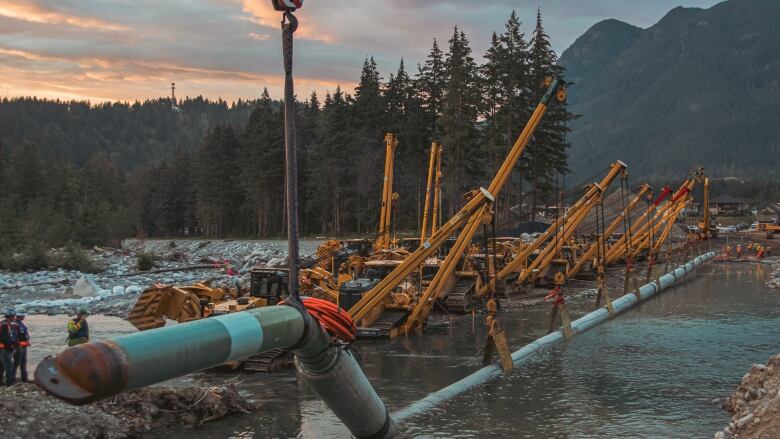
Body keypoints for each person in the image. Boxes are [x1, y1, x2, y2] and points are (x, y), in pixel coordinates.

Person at [0, 309, 19, 386]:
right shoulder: (4, 325)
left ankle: (1, 381)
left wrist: (15, 343)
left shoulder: (5, 324)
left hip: (4, 347)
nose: (14, 318)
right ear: (10, 316)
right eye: (13, 316)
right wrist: (10, 347)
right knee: (9, 365)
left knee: (2, 365)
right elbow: (4, 338)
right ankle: (9, 382)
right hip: (4, 348)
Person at [13, 309, 29, 383]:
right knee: (17, 363)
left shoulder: (20, 324)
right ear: (20, 316)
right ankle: (12, 378)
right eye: (23, 315)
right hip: (19, 347)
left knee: (23, 363)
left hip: (23, 346)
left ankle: (24, 379)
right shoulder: (16, 325)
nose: (24, 316)